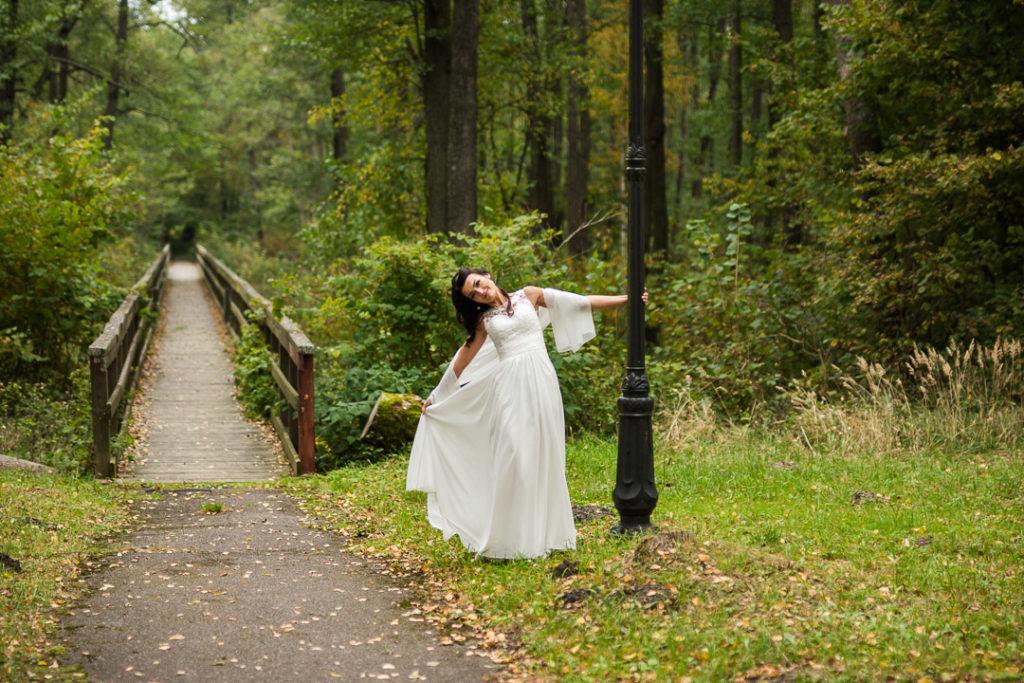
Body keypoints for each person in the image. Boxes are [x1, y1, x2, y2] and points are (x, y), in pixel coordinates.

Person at [405, 267, 646, 559]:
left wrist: (627, 300)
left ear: (488, 275)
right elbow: (462, 360)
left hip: (542, 382)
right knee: (515, 456)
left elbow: (578, 301)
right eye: (473, 294)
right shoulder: (484, 321)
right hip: (509, 389)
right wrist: (436, 396)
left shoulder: (528, 295)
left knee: (545, 454)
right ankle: (508, 539)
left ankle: (544, 537)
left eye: (479, 284)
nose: (480, 292)